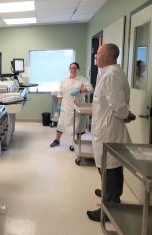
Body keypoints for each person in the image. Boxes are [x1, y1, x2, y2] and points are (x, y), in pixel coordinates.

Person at [87, 43, 136, 222]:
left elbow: (117, 105)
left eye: (98, 54)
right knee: (108, 165)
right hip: (106, 128)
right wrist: (124, 114)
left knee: (110, 166)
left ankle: (108, 208)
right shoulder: (110, 73)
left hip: (108, 130)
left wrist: (125, 115)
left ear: (107, 57)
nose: (96, 57)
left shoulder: (112, 75)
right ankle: (109, 193)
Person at [50, 62, 93, 147]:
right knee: (61, 123)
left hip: (77, 105)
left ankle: (77, 143)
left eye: (75, 68)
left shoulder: (82, 79)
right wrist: (59, 105)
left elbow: (90, 88)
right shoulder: (64, 80)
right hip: (65, 106)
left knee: (78, 125)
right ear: (69, 69)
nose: (73, 70)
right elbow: (60, 93)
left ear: (78, 70)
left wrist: (79, 91)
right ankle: (57, 140)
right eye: (71, 68)